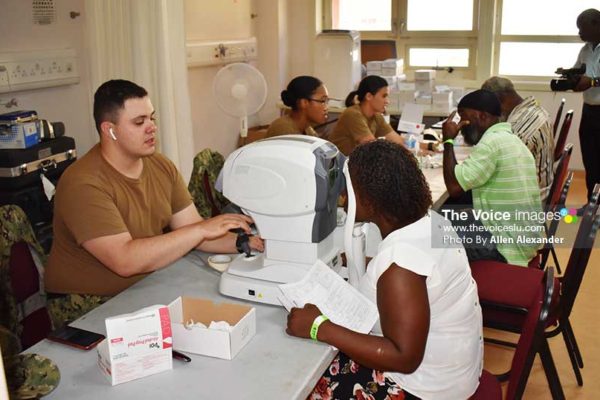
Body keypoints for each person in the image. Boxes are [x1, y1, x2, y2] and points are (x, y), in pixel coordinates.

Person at [44, 79, 263, 327]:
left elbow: (192, 231)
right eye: (139, 122)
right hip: (88, 304)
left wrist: (250, 243)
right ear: (109, 130)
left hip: (144, 285)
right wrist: (201, 229)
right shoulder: (83, 183)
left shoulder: (159, 165)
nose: (152, 128)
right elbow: (125, 260)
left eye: (152, 118)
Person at [286, 140, 483, 400]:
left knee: (304, 384)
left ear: (369, 200)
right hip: (455, 376)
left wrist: (318, 327)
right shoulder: (434, 223)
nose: (343, 196)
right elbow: (416, 280)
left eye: (348, 189)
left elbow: (404, 357)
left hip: (421, 389)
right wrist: (367, 263)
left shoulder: (400, 266)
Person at [441, 89, 544, 266]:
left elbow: (454, 187)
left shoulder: (491, 143)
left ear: (482, 116)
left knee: (430, 233)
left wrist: (448, 141)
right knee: (446, 215)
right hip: (523, 239)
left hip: (504, 247)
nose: (460, 125)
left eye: (463, 117)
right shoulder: (511, 140)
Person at [482, 76, 555, 203]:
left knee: (456, 197)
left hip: (525, 202)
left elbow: (495, 169)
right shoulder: (533, 110)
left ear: (498, 99)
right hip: (538, 191)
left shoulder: (519, 128)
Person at [568, 8, 600, 205]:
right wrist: (571, 78)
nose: (579, 32)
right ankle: (591, 204)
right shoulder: (585, 49)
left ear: (596, 24)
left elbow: (592, 80)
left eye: (582, 28)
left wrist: (592, 82)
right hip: (589, 111)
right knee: (590, 160)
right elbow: (579, 72)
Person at [328, 75, 406, 155]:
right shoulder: (352, 114)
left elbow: (399, 141)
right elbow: (371, 147)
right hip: (339, 162)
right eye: (384, 96)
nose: (387, 101)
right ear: (369, 96)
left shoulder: (377, 116)